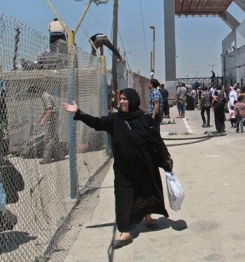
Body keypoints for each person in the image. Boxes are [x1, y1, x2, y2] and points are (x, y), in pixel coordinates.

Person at [61, 88, 172, 249]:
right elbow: (97, 123)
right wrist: (78, 113)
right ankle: (125, 232)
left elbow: (156, 140)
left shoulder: (144, 119)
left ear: (132, 101)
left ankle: (147, 217)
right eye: (120, 99)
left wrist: (165, 158)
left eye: (125, 99)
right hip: (123, 169)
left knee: (147, 190)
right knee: (122, 197)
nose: (121, 102)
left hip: (144, 165)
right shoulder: (115, 119)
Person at [27, 86, 62, 164]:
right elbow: (48, 109)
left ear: (38, 90)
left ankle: (47, 158)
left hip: (52, 119)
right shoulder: (47, 95)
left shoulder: (45, 96)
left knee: (48, 139)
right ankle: (58, 156)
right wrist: (42, 116)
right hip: (54, 118)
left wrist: (43, 119)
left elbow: (49, 110)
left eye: (36, 92)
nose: (37, 94)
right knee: (54, 138)